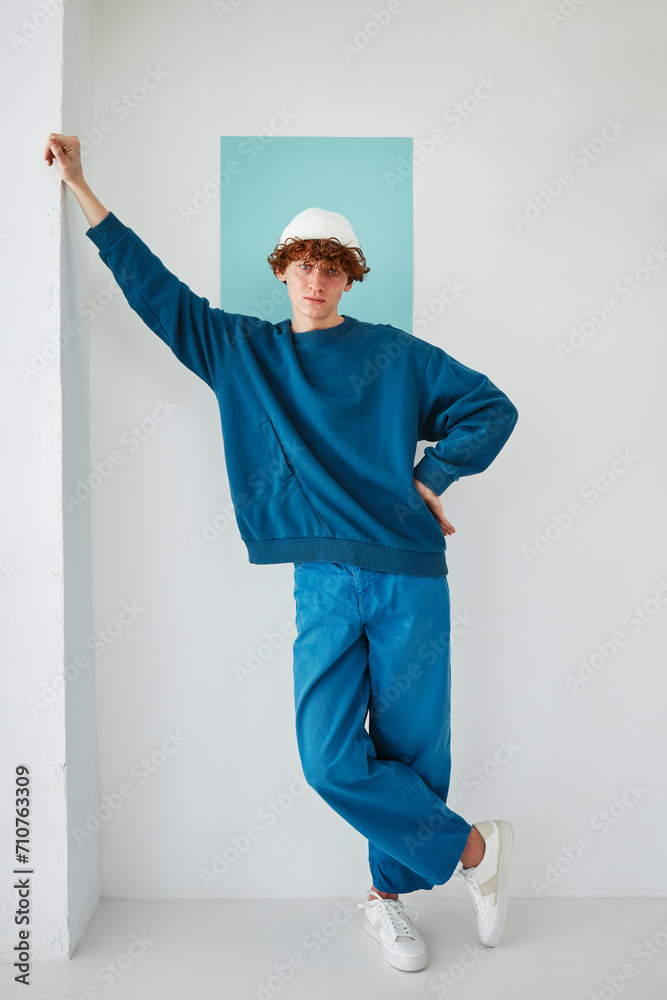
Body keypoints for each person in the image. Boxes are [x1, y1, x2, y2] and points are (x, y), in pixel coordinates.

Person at [44, 132, 519, 974]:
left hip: (410, 573)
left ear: (349, 276)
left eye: (331, 265)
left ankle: (387, 900)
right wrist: (83, 185)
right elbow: (156, 294)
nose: (315, 277)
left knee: (415, 752)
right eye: (301, 263)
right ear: (281, 271)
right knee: (330, 760)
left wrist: (432, 472)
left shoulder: (396, 355)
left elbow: (489, 408)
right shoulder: (242, 352)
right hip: (324, 580)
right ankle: (476, 852)